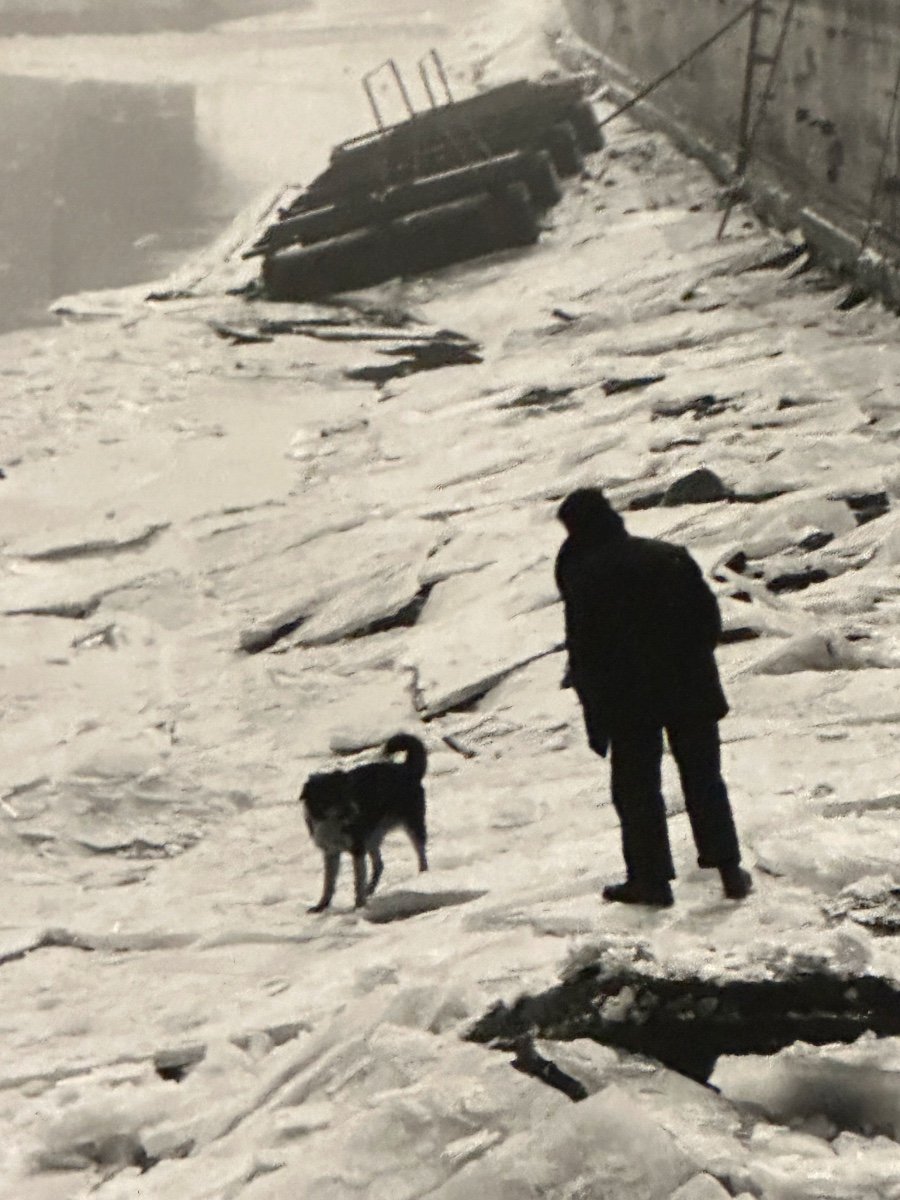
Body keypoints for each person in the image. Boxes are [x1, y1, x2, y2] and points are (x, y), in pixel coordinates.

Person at [554, 487, 752, 907]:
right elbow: (708, 622)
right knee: (704, 780)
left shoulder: (583, 573)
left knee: (637, 789)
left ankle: (651, 881)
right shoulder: (668, 556)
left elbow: (584, 647)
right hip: (689, 687)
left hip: (627, 700)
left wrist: (595, 709)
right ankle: (730, 871)